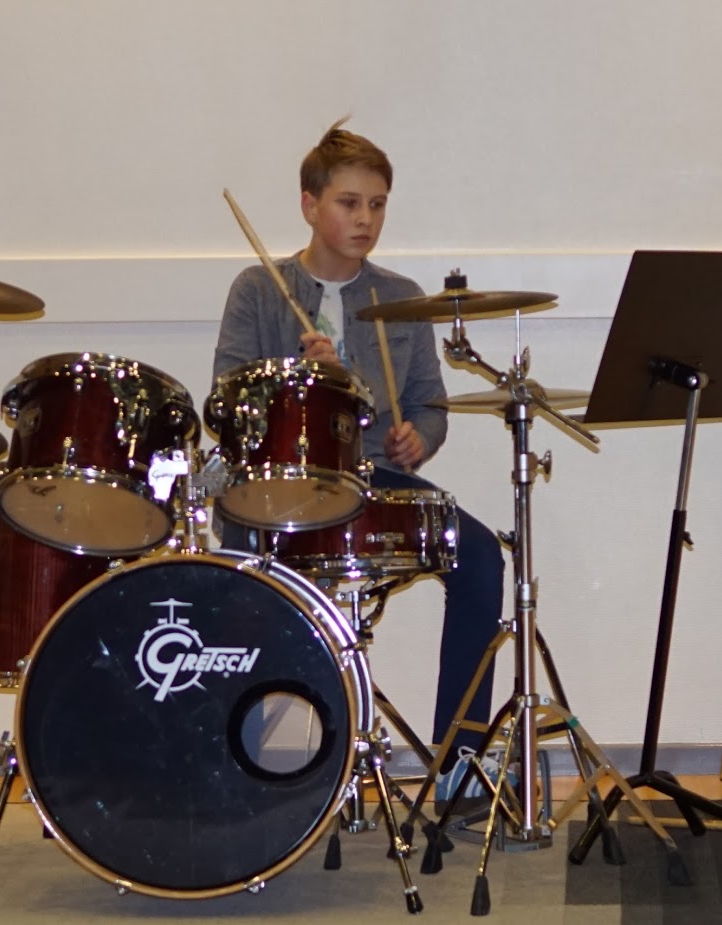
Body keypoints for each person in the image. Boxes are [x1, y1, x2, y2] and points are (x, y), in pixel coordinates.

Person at [210, 119, 507, 809]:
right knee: (240, 581)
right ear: (309, 204)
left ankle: (458, 759)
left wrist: (418, 440)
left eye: (376, 205)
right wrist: (300, 377)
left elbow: (430, 404)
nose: (365, 219)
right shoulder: (258, 289)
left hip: (375, 479)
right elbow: (225, 400)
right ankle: (251, 765)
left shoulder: (401, 297)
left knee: (480, 557)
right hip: (279, 483)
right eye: (349, 203)